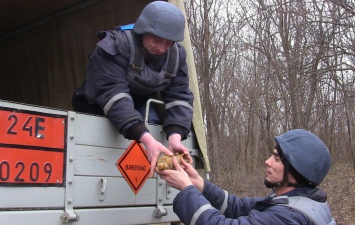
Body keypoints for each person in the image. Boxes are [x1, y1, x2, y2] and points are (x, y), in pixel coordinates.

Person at [71, 1, 194, 175]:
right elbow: (113, 94)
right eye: (157, 40)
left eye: (168, 43)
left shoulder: (176, 54)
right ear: (143, 30)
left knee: (152, 122)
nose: (161, 48)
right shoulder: (113, 46)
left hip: (137, 105)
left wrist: (175, 136)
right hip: (97, 106)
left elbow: (179, 96)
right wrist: (145, 139)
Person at [157, 129, 337, 224]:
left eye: (276, 159)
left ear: (295, 171)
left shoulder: (286, 218)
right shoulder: (296, 201)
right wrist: (199, 184)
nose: (267, 162)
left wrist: (187, 189)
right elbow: (240, 207)